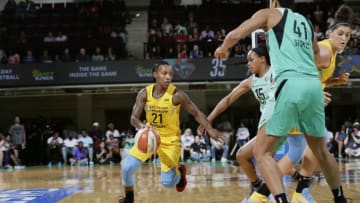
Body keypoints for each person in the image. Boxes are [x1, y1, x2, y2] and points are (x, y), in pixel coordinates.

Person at [214, 0, 347, 202]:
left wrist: (224, 47)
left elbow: (235, 34)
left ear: (274, 1)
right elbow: (316, 54)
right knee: (320, 150)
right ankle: (340, 198)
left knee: (262, 152)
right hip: (312, 85)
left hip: (290, 84)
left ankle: (278, 199)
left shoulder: (270, 13)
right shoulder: (305, 22)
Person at [119, 61, 220, 203]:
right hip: (150, 137)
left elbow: (196, 113)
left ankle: (180, 173)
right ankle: (129, 198)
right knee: (127, 168)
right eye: (164, 73)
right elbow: (134, 118)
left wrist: (210, 129)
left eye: (170, 74)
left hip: (170, 141)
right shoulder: (145, 93)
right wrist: (143, 127)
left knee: (167, 183)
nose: (168, 77)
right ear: (155, 74)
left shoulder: (177, 95)